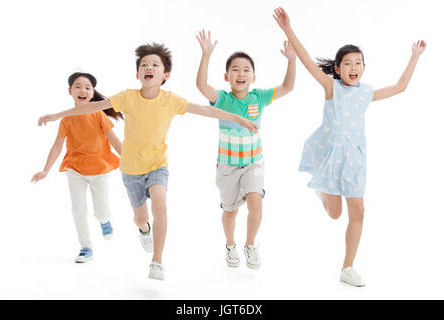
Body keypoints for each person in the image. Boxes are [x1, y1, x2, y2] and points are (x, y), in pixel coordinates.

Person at [38, 43, 258, 280]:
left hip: (157, 166)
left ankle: (157, 261)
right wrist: (56, 116)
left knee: (160, 204)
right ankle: (145, 230)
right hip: (131, 169)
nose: (148, 67)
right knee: (141, 218)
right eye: (144, 64)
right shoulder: (127, 97)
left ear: (165, 75)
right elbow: (90, 107)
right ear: (138, 74)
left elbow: (208, 111)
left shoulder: (171, 100)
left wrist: (239, 118)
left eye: (155, 64)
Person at [273, 7, 426, 286]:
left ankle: (347, 267)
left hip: (356, 160)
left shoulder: (366, 93)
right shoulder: (331, 88)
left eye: (358, 63)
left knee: (359, 212)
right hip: (331, 158)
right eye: (347, 63)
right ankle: (321, 192)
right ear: (337, 68)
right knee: (335, 214)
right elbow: (308, 62)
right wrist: (288, 30)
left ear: (364, 68)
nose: (353, 68)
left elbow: (401, 86)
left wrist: (414, 56)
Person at [195, 30, 296, 270]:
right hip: (227, 166)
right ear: (227, 75)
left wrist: (292, 60)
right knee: (230, 211)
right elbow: (200, 85)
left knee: (255, 201)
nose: (241, 73)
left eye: (246, 69)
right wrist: (206, 54)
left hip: (254, 163)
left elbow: (287, 87)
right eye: (235, 69)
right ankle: (231, 245)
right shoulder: (221, 99)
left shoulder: (259, 97)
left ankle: (250, 245)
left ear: (254, 77)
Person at [32, 72, 123, 263]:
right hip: (75, 169)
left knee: (101, 210)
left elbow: (114, 141)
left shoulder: (98, 114)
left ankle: (105, 221)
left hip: (99, 168)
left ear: (92, 93)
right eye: (78, 86)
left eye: (88, 87)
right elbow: (57, 146)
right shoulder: (66, 119)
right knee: (78, 209)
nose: (83, 90)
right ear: (70, 91)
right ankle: (86, 247)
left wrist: (130, 161)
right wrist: (45, 170)